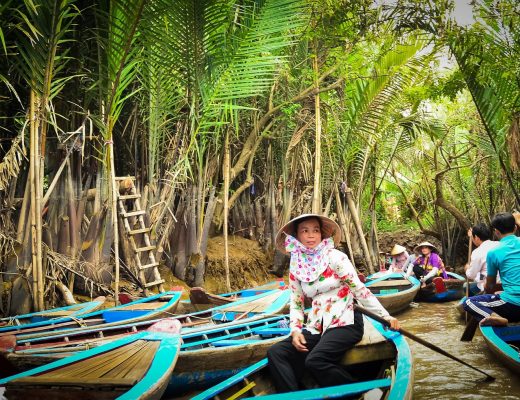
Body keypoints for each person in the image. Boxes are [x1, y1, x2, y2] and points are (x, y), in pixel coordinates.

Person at [267, 214, 399, 393]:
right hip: (317, 325)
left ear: (322, 234)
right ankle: (293, 396)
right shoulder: (296, 264)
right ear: (297, 236)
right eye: (305, 231)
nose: (311, 235)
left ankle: (360, 392)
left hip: (346, 320)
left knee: (315, 360)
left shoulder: (335, 257)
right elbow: (296, 302)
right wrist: (295, 330)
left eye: (315, 230)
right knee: (276, 353)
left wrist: (385, 316)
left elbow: (360, 290)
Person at [463, 212, 520, 326]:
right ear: (515, 227)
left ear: (496, 231)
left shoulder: (493, 252)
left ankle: (496, 317)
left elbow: (490, 285)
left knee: (469, 302)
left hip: (513, 306)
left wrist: (490, 288)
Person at [464, 223, 500, 296]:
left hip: (489, 288)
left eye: (473, 238)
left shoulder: (477, 252)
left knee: (465, 286)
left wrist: (467, 268)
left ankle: (476, 301)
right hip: (503, 286)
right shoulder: (499, 244)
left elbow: (470, 275)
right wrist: (471, 235)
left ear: (476, 237)